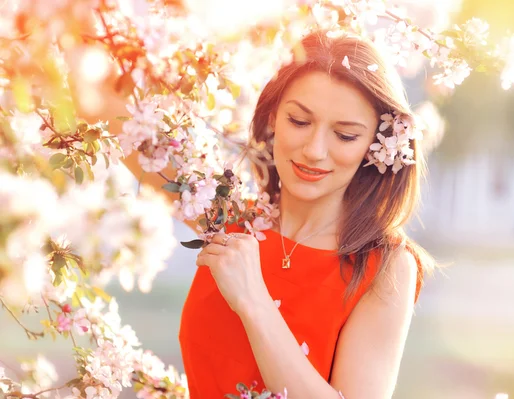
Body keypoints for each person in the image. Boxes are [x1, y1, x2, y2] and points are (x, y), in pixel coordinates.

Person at [76, 28, 435, 398]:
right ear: (272, 117)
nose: (314, 150)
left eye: (344, 136)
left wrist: (253, 301)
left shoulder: (384, 267)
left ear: (377, 148)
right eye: (299, 121)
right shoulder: (223, 215)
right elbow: (100, 106)